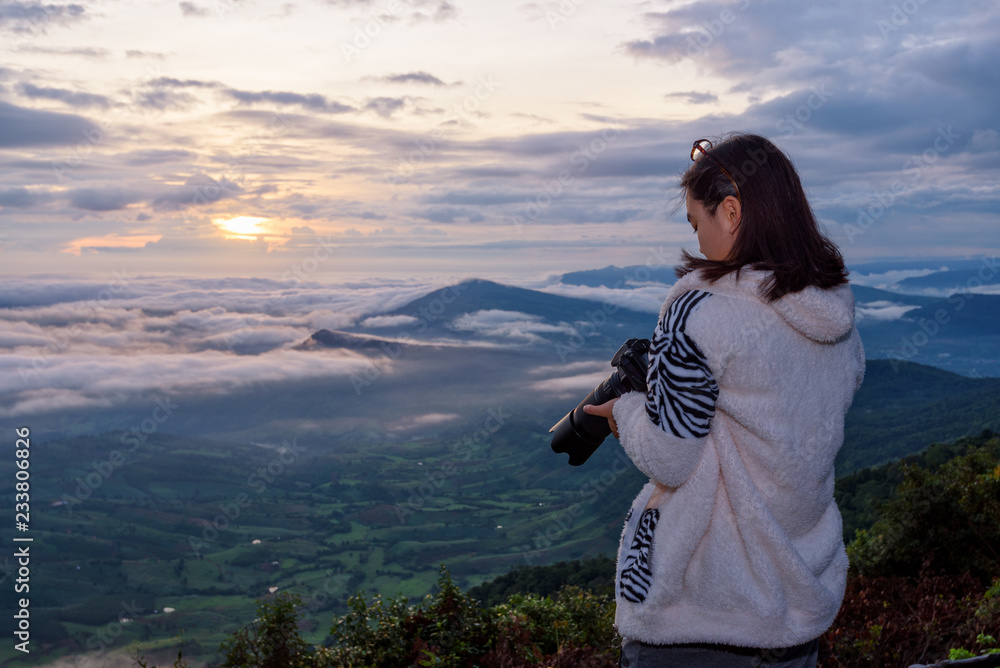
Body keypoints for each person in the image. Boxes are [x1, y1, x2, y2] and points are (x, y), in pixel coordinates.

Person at [583, 134, 865, 667]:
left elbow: (670, 456)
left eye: (696, 223)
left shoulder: (700, 310)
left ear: (730, 212)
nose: (697, 238)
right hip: (797, 609)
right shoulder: (836, 319)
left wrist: (623, 412)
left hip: (705, 613)